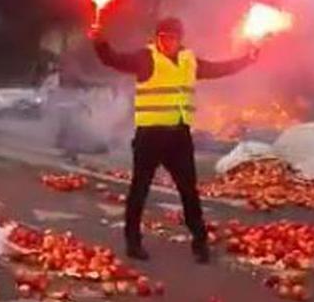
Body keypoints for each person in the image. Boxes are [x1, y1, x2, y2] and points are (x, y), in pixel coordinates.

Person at [90, 17, 258, 263]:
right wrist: (99, 41)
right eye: (162, 37)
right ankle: (133, 242)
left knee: (189, 190)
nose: (166, 42)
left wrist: (247, 60)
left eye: (171, 38)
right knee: (139, 189)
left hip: (179, 136)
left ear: (180, 39)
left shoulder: (189, 61)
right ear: (156, 38)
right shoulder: (146, 58)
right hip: (150, 136)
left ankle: (200, 241)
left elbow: (219, 68)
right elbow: (112, 59)